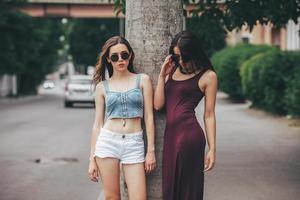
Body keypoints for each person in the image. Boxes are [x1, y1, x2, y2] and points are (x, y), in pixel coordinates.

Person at [88, 36, 156, 200]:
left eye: (124, 55)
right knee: (112, 197)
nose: (120, 60)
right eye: (114, 57)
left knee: (139, 197)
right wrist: (92, 159)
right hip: (108, 142)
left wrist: (150, 151)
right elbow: (97, 124)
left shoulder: (142, 80)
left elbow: (148, 117)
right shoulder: (102, 87)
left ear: (130, 55)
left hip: (134, 143)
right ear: (108, 60)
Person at [154, 31, 217, 200]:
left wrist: (212, 149)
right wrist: (162, 75)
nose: (180, 61)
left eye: (184, 57)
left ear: (194, 54)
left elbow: (209, 115)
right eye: (176, 57)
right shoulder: (172, 70)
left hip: (189, 136)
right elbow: (158, 105)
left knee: (188, 189)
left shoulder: (208, 76)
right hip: (171, 137)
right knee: (170, 188)